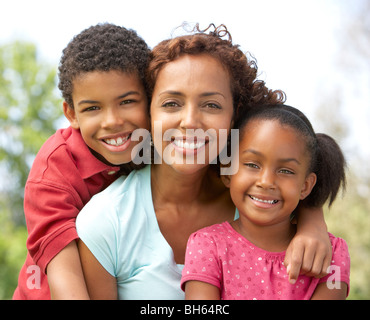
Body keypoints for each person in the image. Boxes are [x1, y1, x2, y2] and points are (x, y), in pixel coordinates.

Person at [76, 25, 333, 300]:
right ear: (148, 112)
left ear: (234, 118)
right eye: (171, 103)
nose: (190, 122)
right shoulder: (105, 222)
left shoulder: (259, 198)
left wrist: (312, 219)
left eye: (211, 105)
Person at [12, 23, 150, 299]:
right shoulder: (53, 173)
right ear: (72, 114)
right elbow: (67, 282)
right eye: (93, 108)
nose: (112, 121)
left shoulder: (162, 145)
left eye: (127, 102)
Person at [181, 104, 350, 300]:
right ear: (227, 171)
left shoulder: (333, 253)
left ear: (305, 186)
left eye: (286, 171)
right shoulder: (206, 245)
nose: (266, 182)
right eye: (252, 165)